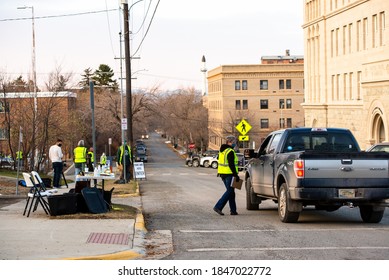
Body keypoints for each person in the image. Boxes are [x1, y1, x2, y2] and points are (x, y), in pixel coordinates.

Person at [213, 135, 240, 216]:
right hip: (229, 174)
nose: (234, 143)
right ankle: (218, 206)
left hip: (222, 174)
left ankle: (233, 211)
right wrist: (236, 175)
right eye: (234, 142)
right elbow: (231, 165)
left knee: (231, 192)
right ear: (229, 142)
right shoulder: (230, 151)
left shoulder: (222, 150)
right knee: (230, 191)